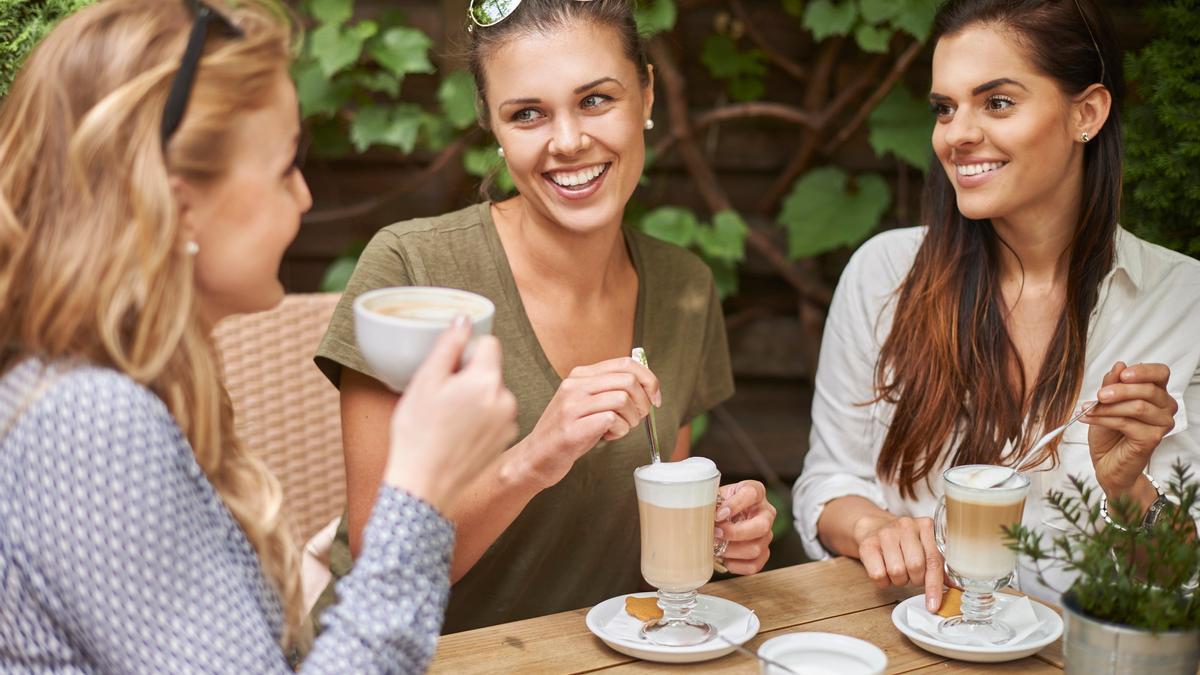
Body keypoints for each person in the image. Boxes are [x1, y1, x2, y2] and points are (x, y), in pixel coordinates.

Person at [0, 0, 516, 672]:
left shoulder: (119, 385)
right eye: (283, 167)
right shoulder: (87, 421)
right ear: (177, 205)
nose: (304, 197)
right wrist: (420, 488)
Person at [313, 0, 777, 634]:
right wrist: (536, 456)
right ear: (493, 127)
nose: (567, 142)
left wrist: (717, 534)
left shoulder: (683, 287)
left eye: (595, 101)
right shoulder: (412, 268)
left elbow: (643, 544)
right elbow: (380, 568)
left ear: (645, 95)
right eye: (527, 114)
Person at [793, 0, 1200, 614]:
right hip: (911, 642)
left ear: (1086, 113)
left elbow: (1184, 576)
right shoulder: (885, 275)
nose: (957, 134)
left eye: (998, 102)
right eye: (944, 108)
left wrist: (1126, 489)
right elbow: (829, 484)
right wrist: (873, 528)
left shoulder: (1184, 302)